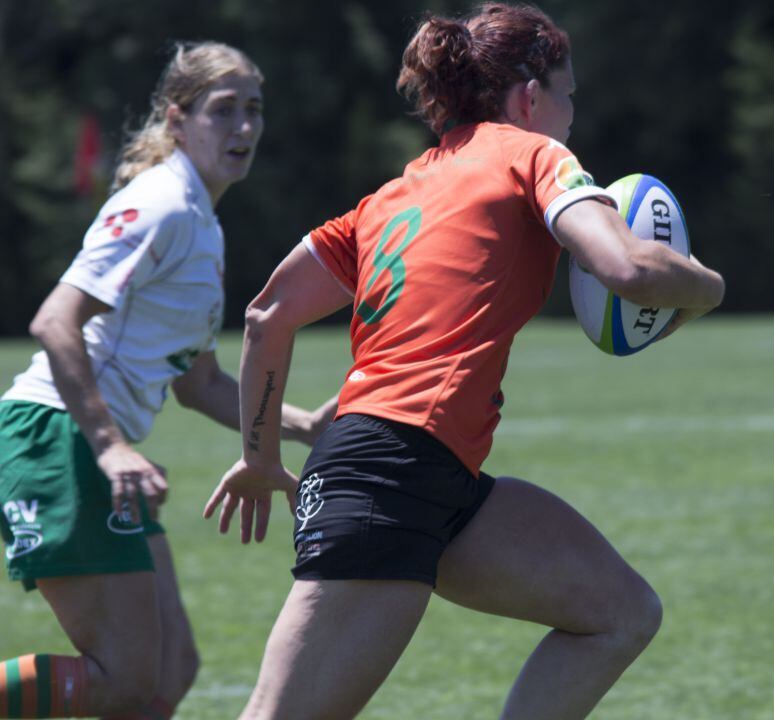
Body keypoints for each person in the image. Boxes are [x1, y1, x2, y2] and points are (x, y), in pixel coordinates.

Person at [204, 4, 725, 718]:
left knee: (620, 612)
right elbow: (628, 267)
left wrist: (262, 458)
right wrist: (706, 285)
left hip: (435, 480)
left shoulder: (391, 196)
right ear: (530, 96)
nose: (571, 116)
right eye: (568, 96)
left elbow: (267, 316)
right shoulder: (534, 153)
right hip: (390, 476)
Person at [0, 42, 335, 719]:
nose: (243, 129)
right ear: (178, 121)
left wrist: (301, 427)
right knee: (124, 680)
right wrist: (111, 445)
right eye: (223, 111)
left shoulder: (202, 225)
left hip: (90, 447)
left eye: (254, 111)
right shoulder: (163, 205)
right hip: (57, 436)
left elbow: (198, 382)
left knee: (168, 673)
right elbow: (54, 321)